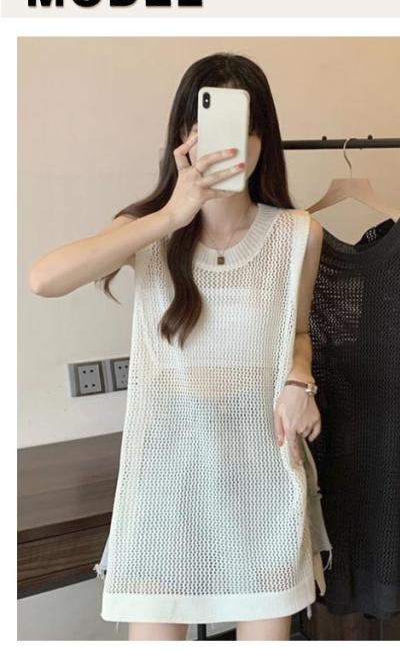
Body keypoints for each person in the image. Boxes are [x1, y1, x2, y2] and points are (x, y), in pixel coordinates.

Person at [28, 52, 330, 641]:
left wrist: (300, 380)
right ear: (183, 137)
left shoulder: (298, 234)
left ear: (262, 139)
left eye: (239, 125)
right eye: (204, 124)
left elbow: (295, 332)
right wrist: (171, 214)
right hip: (164, 484)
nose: (221, 142)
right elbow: (44, 279)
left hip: (261, 480)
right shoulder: (147, 230)